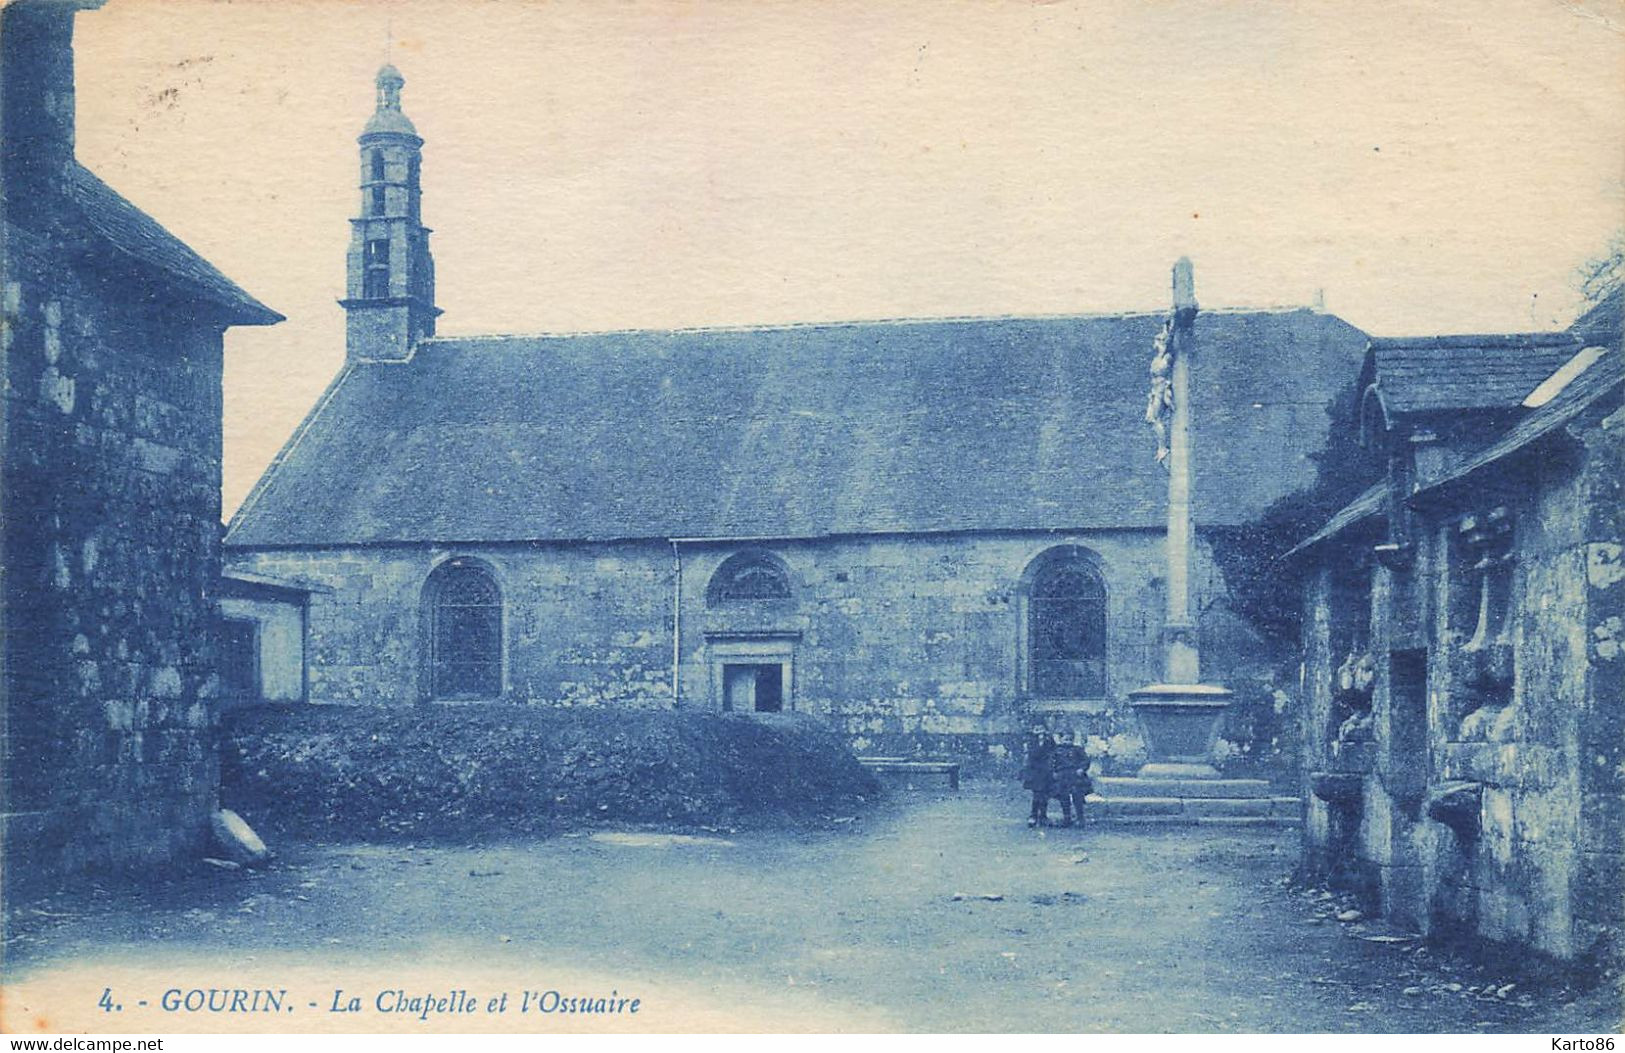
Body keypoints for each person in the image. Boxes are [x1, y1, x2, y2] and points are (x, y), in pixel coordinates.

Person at [1049, 732, 1093, 827]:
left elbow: (1085, 760)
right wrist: (1054, 772)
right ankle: (1067, 818)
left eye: (1070, 740)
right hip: (1062, 776)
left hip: (1075, 775)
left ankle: (1080, 818)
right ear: (1060, 739)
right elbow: (1051, 762)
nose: (1068, 742)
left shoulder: (1077, 749)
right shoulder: (1057, 750)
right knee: (1064, 797)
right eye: (1065, 739)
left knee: (1078, 796)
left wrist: (1082, 769)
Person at [1020, 728, 1055, 827]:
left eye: (1042, 729)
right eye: (1037, 729)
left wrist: (1048, 739)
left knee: (1045, 795)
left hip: (1046, 771)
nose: (1040, 732)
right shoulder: (1031, 741)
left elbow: (1053, 750)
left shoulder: (1049, 740)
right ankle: (1033, 815)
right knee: (1037, 795)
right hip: (1035, 772)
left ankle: (1043, 816)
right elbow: (1033, 754)